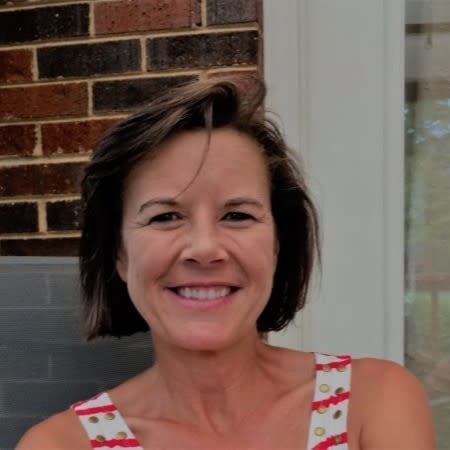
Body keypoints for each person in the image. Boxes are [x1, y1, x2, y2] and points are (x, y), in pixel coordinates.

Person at [17, 77, 435, 450]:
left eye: (237, 215)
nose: (205, 248)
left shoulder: (375, 401)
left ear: (277, 245)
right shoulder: (58, 445)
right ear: (120, 255)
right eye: (165, 216)